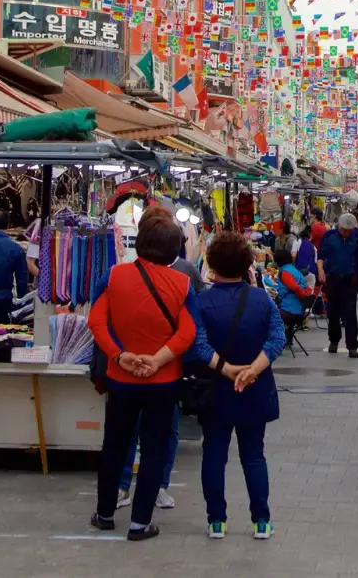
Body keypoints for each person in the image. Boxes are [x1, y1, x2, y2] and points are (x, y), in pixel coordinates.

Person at [88, 211, 228, 541]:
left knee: (114, 445)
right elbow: (189, 332)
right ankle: (139, 523)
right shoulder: (181, 284)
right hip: (163, 381)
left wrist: (121, 356)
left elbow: (96, 322)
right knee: (154, 448)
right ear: (174, 248)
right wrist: (158, 359)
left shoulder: (113, 276)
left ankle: (105, 513)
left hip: (120, 379)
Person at [198, 232, 286, 540]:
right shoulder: (261, 299)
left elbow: (197, 345)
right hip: (255, 389)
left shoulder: (202, 301)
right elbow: (277, 338)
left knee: (214, 454)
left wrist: (227, 369)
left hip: (216, 391)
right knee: (253, 455)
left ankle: (216, 521)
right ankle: (261, 521)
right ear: (247, 264)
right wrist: (252, 371)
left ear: (211, 264)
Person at [318, 212, 358, 358]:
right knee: (332, 312)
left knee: (350, 313)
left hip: (350, 280)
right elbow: (321, 254)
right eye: (343, 230)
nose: (346, 233)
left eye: (349, 230)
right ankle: (334, 340)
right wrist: (321, 270)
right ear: (339, 226)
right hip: (333, 279)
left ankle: (352, 345)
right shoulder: (329, 236)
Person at [271, 248, 311, 330]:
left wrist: (301, 295)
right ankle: (287, 337)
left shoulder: (285, 272)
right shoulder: (295, 270)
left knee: (264, 314)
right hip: (299, 310)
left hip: (289, 311)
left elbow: (295, 287)